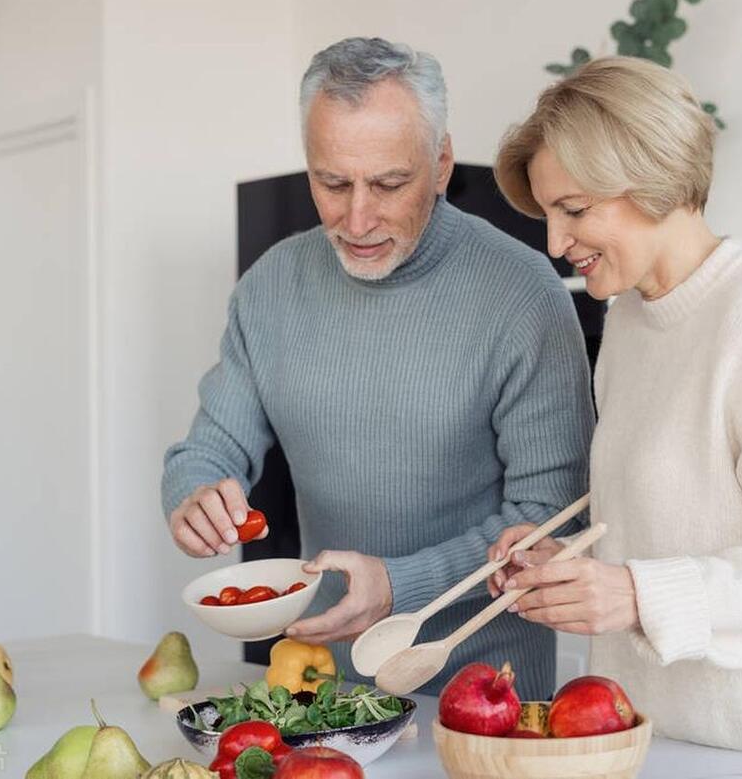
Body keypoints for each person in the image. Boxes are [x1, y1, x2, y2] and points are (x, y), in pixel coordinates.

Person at [487, 56, 742, 777]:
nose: (555, 243)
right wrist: (574, 568)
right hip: (665, 739)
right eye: (550, 213)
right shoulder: (629, 323)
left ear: (653, 181)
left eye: (575, 210)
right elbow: (670, 520)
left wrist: (633, 591)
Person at [162, 37, 594, 699]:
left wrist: (397, 584)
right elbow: (208, 449)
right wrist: (194, 492)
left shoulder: (522, 292)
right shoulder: (271, 285)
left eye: (390, 183)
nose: (357, 217)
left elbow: (548, 518)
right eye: (331, 182)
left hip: (485, 694)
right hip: (326, 689)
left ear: (442, 161)